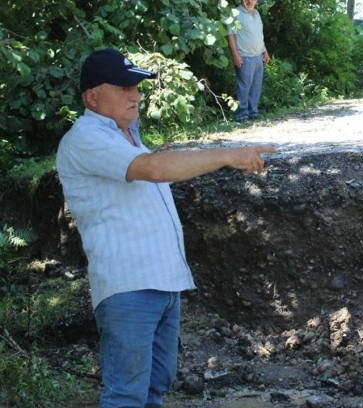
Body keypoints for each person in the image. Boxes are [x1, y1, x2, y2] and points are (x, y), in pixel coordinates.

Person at [55, 48, 277, 407]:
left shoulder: (127, 136)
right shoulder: (85, 138)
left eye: (137, 87)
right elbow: (154, 169)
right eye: (124, 87)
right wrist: (226, 155)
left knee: (156, 387)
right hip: (129, 287)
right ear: (92, 96)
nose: (136, 95)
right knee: (126, 395)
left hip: (162, 283)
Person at [227, 0, 270, 122]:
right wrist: (235, 55)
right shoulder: (234, 13)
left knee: (256, 87)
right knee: (244, 87)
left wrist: (265, 51)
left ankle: (253, 113)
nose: (250, 1)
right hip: (244, 56)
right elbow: (231, 35)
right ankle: (242, 115)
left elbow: (259, 35)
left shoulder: (256, 13)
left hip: (258, 56)